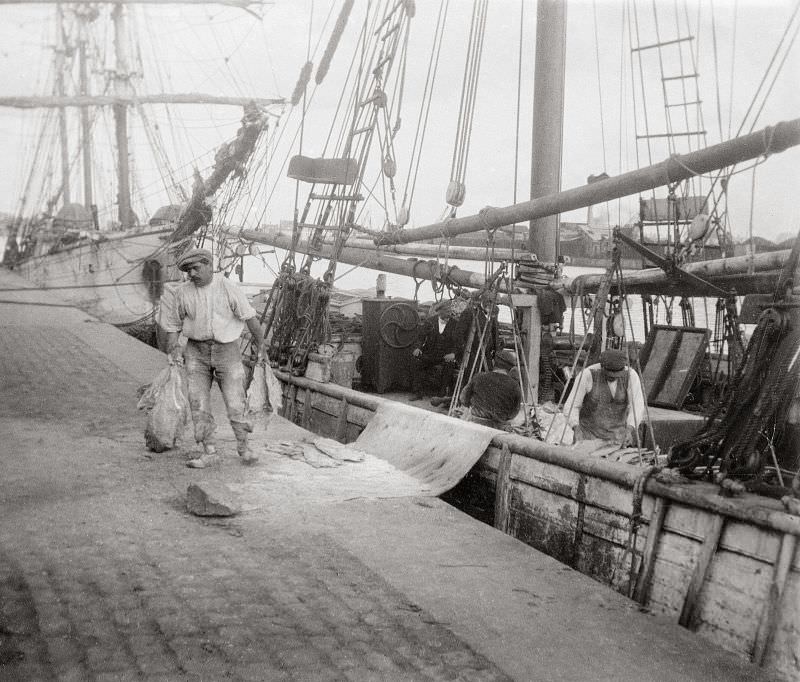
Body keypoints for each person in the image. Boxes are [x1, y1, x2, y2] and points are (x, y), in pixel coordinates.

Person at [161, 248, 264, 468]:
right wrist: (173, 349)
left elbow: (250, 318)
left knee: (236, 401)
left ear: (209, 265)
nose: (192, 274)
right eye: (188, 270)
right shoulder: (182, 292)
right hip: (195, 351)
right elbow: (173, 325)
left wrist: (262, 346)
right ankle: (209, 451)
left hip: (227, 351)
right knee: (198, 403)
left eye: (196, 268)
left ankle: (244, 447)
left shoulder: (228, 287)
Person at [563, 348, 646, 446]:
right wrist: (576, 428)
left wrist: (629, 429)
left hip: (617, 438)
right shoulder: (587, 375)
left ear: (623, 369)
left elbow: (637, 406)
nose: (613, 377)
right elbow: (572, 405)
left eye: (616, 375)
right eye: (609, 374)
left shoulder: (631, 376)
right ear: (602, 367)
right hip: (588, 437)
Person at [410, 299, 462, 400]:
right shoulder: (430, 321)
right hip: (430, 353)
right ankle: (418, 392)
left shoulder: (455, 324)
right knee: (416, 361)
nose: (449, 315)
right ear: (439, 312)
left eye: (450, 312)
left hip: (445, 355)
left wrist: (453, 354)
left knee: (449, 365)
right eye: (446, 312)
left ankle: (441, 394)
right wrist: (417, 348)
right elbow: (421, 337)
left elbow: (459, 343)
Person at [458, 348, 524, 427]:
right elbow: (513, 413)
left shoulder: (479, 377)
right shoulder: (514, 385)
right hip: (497, 427)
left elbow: (463, 399)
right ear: (511, 369)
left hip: (475, 423)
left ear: (493, 363)